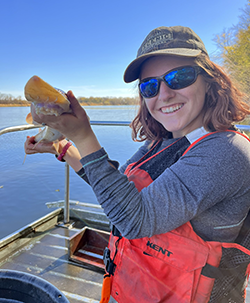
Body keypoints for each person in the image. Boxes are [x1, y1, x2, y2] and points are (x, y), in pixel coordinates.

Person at [24, 26, 250, 303]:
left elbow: (134, 219)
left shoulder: (227, 151)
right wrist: (63, 148)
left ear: (210, 81)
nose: (164, 94)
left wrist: (83, 135)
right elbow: (118, 189)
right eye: (150, 86)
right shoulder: (164, 141)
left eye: (180, 77)